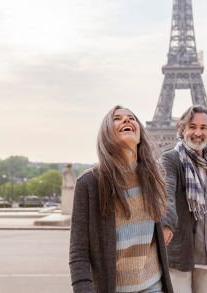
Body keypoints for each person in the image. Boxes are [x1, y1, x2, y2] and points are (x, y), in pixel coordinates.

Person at [69, 105, 174, 293]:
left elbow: (167, 206)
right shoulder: (90, 183)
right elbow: (79, 251)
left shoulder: (154, 175)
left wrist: (168, 223)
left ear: (140, 134)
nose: (126, 120)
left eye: (131, 117)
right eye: (117, 118)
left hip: (154, 286)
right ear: (106, 135)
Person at [161, 105, 207, 293]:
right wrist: (166, 223)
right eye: (192, 126)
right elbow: (167, 193)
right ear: (182, 129)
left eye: (203, 127)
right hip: (181, 250)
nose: (197, 132)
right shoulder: (171, 159)